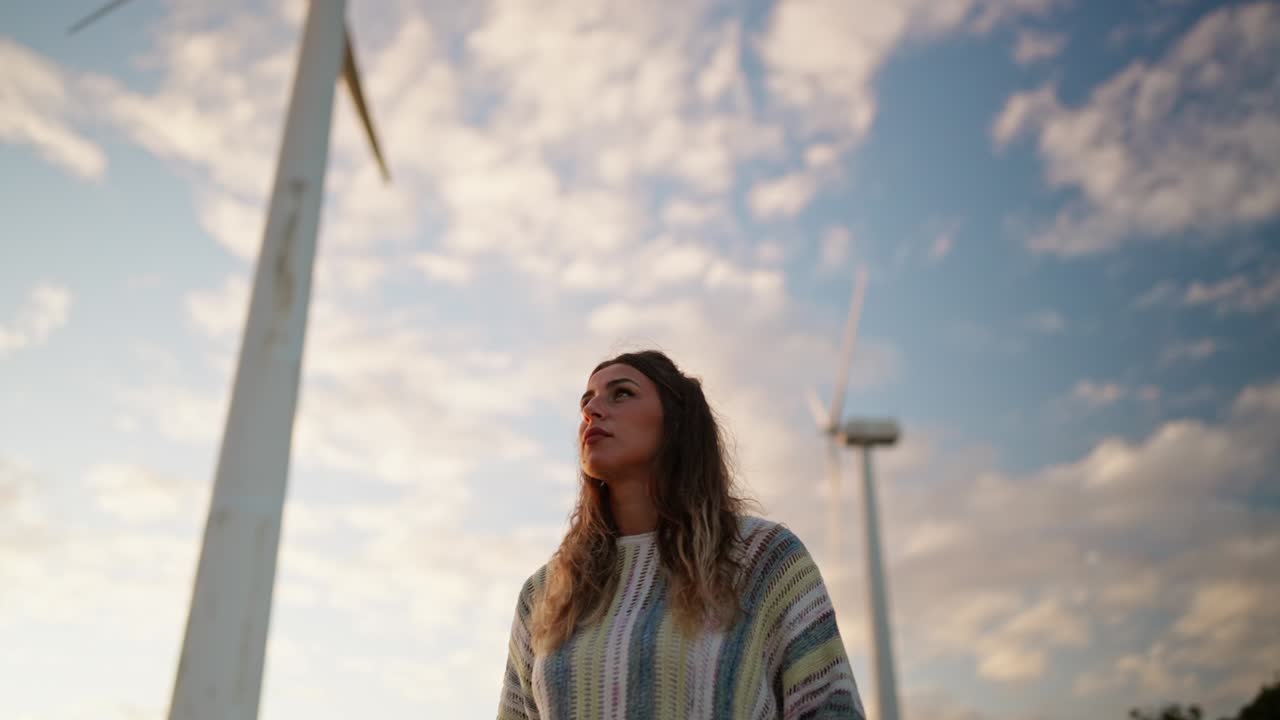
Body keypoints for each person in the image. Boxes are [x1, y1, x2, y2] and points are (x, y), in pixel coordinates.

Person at [498, 350, 865, 719]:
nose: (592, 411)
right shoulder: (544, 592)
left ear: (676, 421)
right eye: (586, 402)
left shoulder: (765, 559)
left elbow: (832, 709)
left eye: (621, 393)